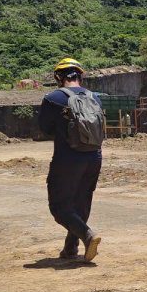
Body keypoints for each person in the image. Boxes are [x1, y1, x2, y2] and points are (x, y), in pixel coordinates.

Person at [38, 58, 103, 262]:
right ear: (80, 76)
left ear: (58, 77)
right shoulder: (95, 97)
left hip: (67, 159)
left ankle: (88, 235)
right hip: (94, 157)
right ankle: (70, 248)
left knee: (59, 207)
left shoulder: (53, 98)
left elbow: (45, 129)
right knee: (81, 203)